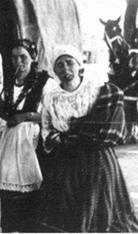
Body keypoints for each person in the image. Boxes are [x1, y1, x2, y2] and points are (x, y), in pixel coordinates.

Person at [38, 45, 138, 233]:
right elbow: (47, 129)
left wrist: (78, 135)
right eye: (59, 65)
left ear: (79, 66)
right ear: (55, 71)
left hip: (96, 161)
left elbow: (107, 119)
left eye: (70, 63)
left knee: (100, 212)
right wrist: (57, 139)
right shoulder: (51, 98)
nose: (66, 69)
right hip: (66, 162)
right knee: (67, 214)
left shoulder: (95, 89)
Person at [0, 39, 58, 232]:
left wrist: (28, 116)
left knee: (33, 199)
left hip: (34, 147)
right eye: (14, 58)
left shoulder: (45, 83)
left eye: (23, 57)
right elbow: (6, 113)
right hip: (11, 144)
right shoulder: (9, 83)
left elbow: (56, 115)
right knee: (9, 196)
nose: (18, 62)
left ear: (33, 58)